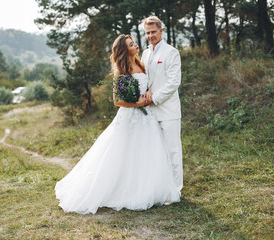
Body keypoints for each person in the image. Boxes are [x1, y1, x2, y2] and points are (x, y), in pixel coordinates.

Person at [54, 34, 180, 214]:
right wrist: (137, 103)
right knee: (122, 153)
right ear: (124, 50)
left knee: (146, 152)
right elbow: (117, 100)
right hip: (130, 116)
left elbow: (148, 85)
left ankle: (148, 187)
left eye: (134, 42)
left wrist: (148, 97)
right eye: (131, 44)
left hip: (147, 117)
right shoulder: (121, 70)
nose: (135, 45)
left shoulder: (141, 63)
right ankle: (120, 189)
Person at [141, 16, 183, 191]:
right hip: (149, 111)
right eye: (147, 32)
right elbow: (145, 79)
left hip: (168, 110)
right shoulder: (145, 53)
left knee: (172, 150)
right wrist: (144, 96)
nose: (150, 35)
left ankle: (175, 188)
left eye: (153, 32)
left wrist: (154, 98)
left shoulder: (171, 52)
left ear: (161, 31)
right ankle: (160, 187)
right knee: (156, 151)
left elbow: (174, 82)